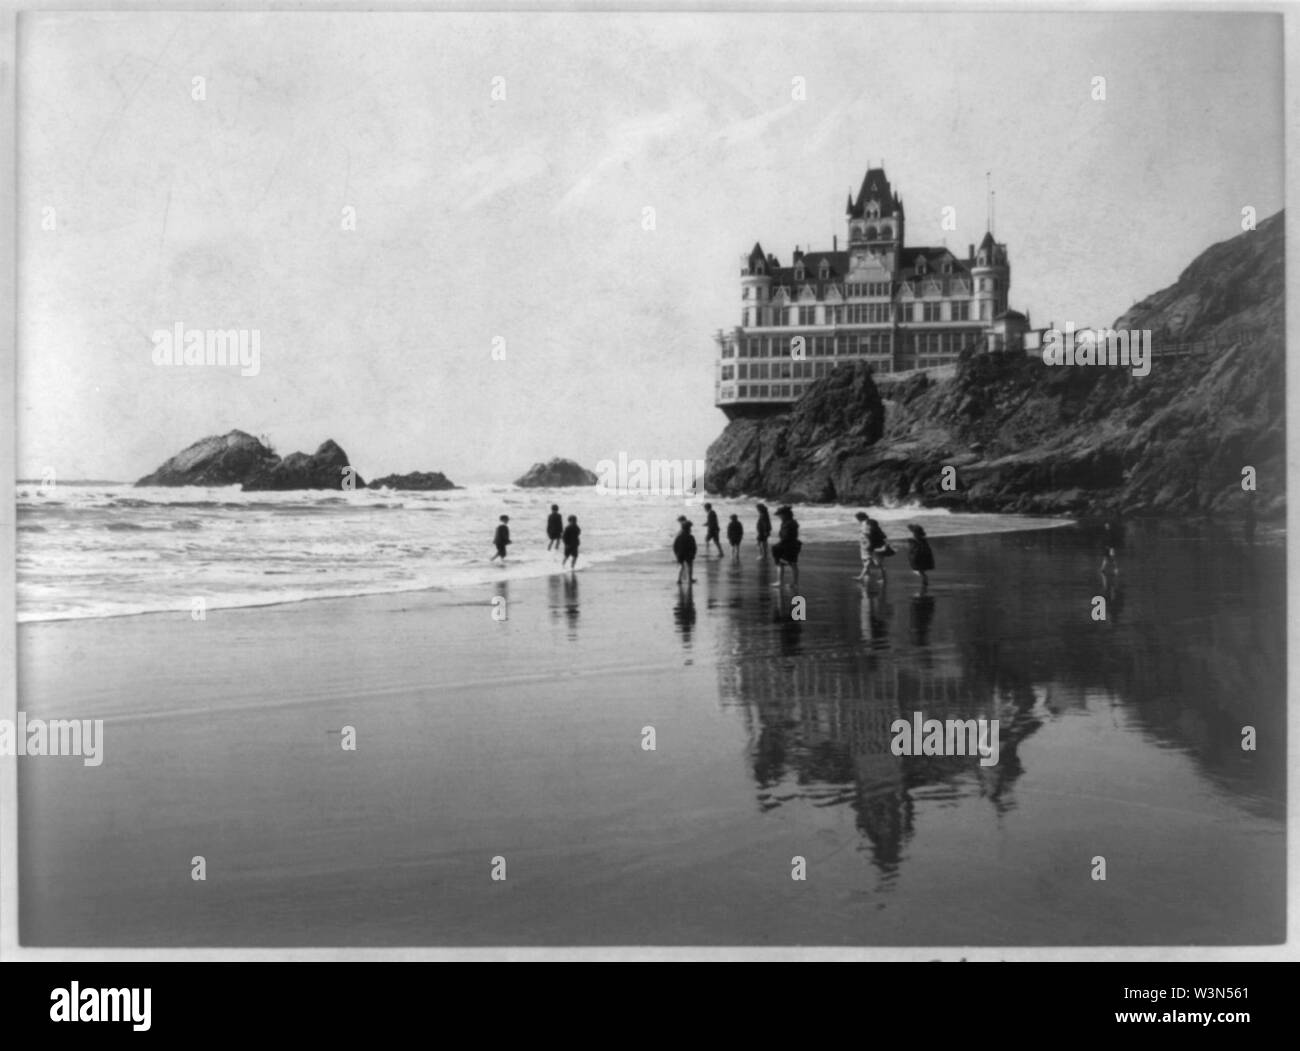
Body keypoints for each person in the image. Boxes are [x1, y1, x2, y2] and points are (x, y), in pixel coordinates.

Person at [771, 505, 802, 588]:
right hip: (794, 545)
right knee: (793, 564)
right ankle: (795, 583)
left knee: (781, 563)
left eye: (780, 515)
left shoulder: (787, 524)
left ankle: (781, 582)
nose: (779, 516)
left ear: (784, 515)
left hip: (788, 546)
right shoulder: (792, 522)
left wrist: (778, 545)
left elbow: (786, 537)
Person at [906, 523, 935, 590]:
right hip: (922, 555)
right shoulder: (922, 538)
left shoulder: (917, 538)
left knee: (918, 569)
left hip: (918, 555)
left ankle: (925, 581)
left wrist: (911, 542)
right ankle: (925, 581)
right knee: (919, 569)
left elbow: (914, 546)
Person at [673, 516, 697, 585]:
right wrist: (693, 554)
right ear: (689, 529)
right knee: (690, 566)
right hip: (688, 554)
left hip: (680, 554)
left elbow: (675, 546)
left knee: (682, 567)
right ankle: (690, 579)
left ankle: (679, 580)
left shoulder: (679, 536)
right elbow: (694, 547)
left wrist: (676, 554)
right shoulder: (691, 537)